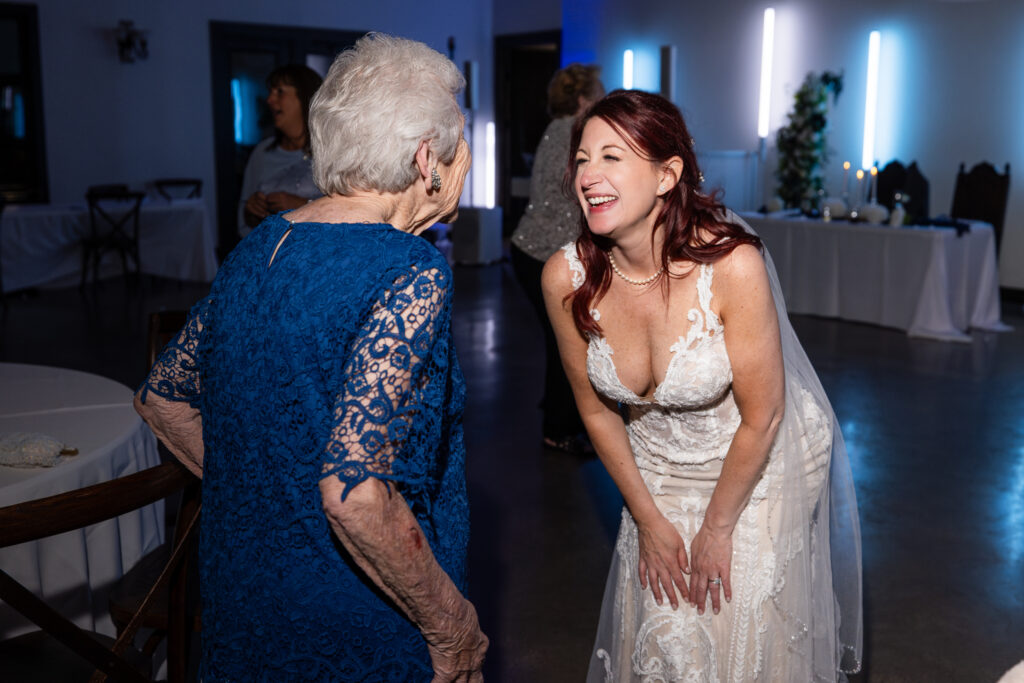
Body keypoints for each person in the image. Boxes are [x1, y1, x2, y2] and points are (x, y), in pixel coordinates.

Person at [136, 34, 487, 681]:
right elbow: (354, 491)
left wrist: (273, 496)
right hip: (360, 611)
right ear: (425, 159)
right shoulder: (409, 269)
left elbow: (162, 396)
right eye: (461, 142)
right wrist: (454, 625)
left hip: (244, 591)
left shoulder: (258, 247)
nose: (465, 160)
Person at [541, 89, 862, 681]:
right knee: (669, 633)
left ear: (667, 175)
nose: (589, 175)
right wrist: (647, 518)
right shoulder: (565, 277)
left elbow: (764, 416)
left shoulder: (732, 267)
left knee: (738, 622)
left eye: (613, 157)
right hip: (660, 465)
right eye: (582, 159)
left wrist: (718, 526)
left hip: (762, 456)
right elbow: (595, 413)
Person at [509, 63, 604, 454]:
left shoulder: (559, 129)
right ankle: (559, 428)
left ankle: (556, 411)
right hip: (543, 254)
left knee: (562, 337)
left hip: (533, 250)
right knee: (570, 341)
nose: (602, 100)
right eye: (598, 94)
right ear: (583, 99)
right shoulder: (572, 133)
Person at [237, 64, 323, 238]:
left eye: (280, 92)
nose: (269, 100)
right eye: (270, 92)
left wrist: (303, 206)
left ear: (304, 98)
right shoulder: (262, 153)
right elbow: (243, 223)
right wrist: (252, 212)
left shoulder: (331, 153)